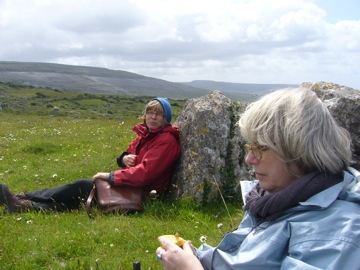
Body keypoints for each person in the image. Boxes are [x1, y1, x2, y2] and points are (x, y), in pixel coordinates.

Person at [156, 88, 360, 270]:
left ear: (301, 151)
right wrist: (196, 256)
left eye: (262, 148)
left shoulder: (335, 236)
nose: (249, 159)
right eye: (249, 147)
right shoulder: (275, 199)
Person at [0, 97, 181, 213]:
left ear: (166, 118)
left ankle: (24, 200)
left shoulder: (166, 140)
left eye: (159, 114)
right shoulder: (146, 135)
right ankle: (24, 202)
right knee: (79, 198)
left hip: (143, 192)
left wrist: (110, 176)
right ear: (145, 115)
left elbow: (145, 173)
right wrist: (123, 158)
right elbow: (129, 153)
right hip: (131, 185)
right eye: (150, 112)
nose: (153, 117)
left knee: (84, 186)